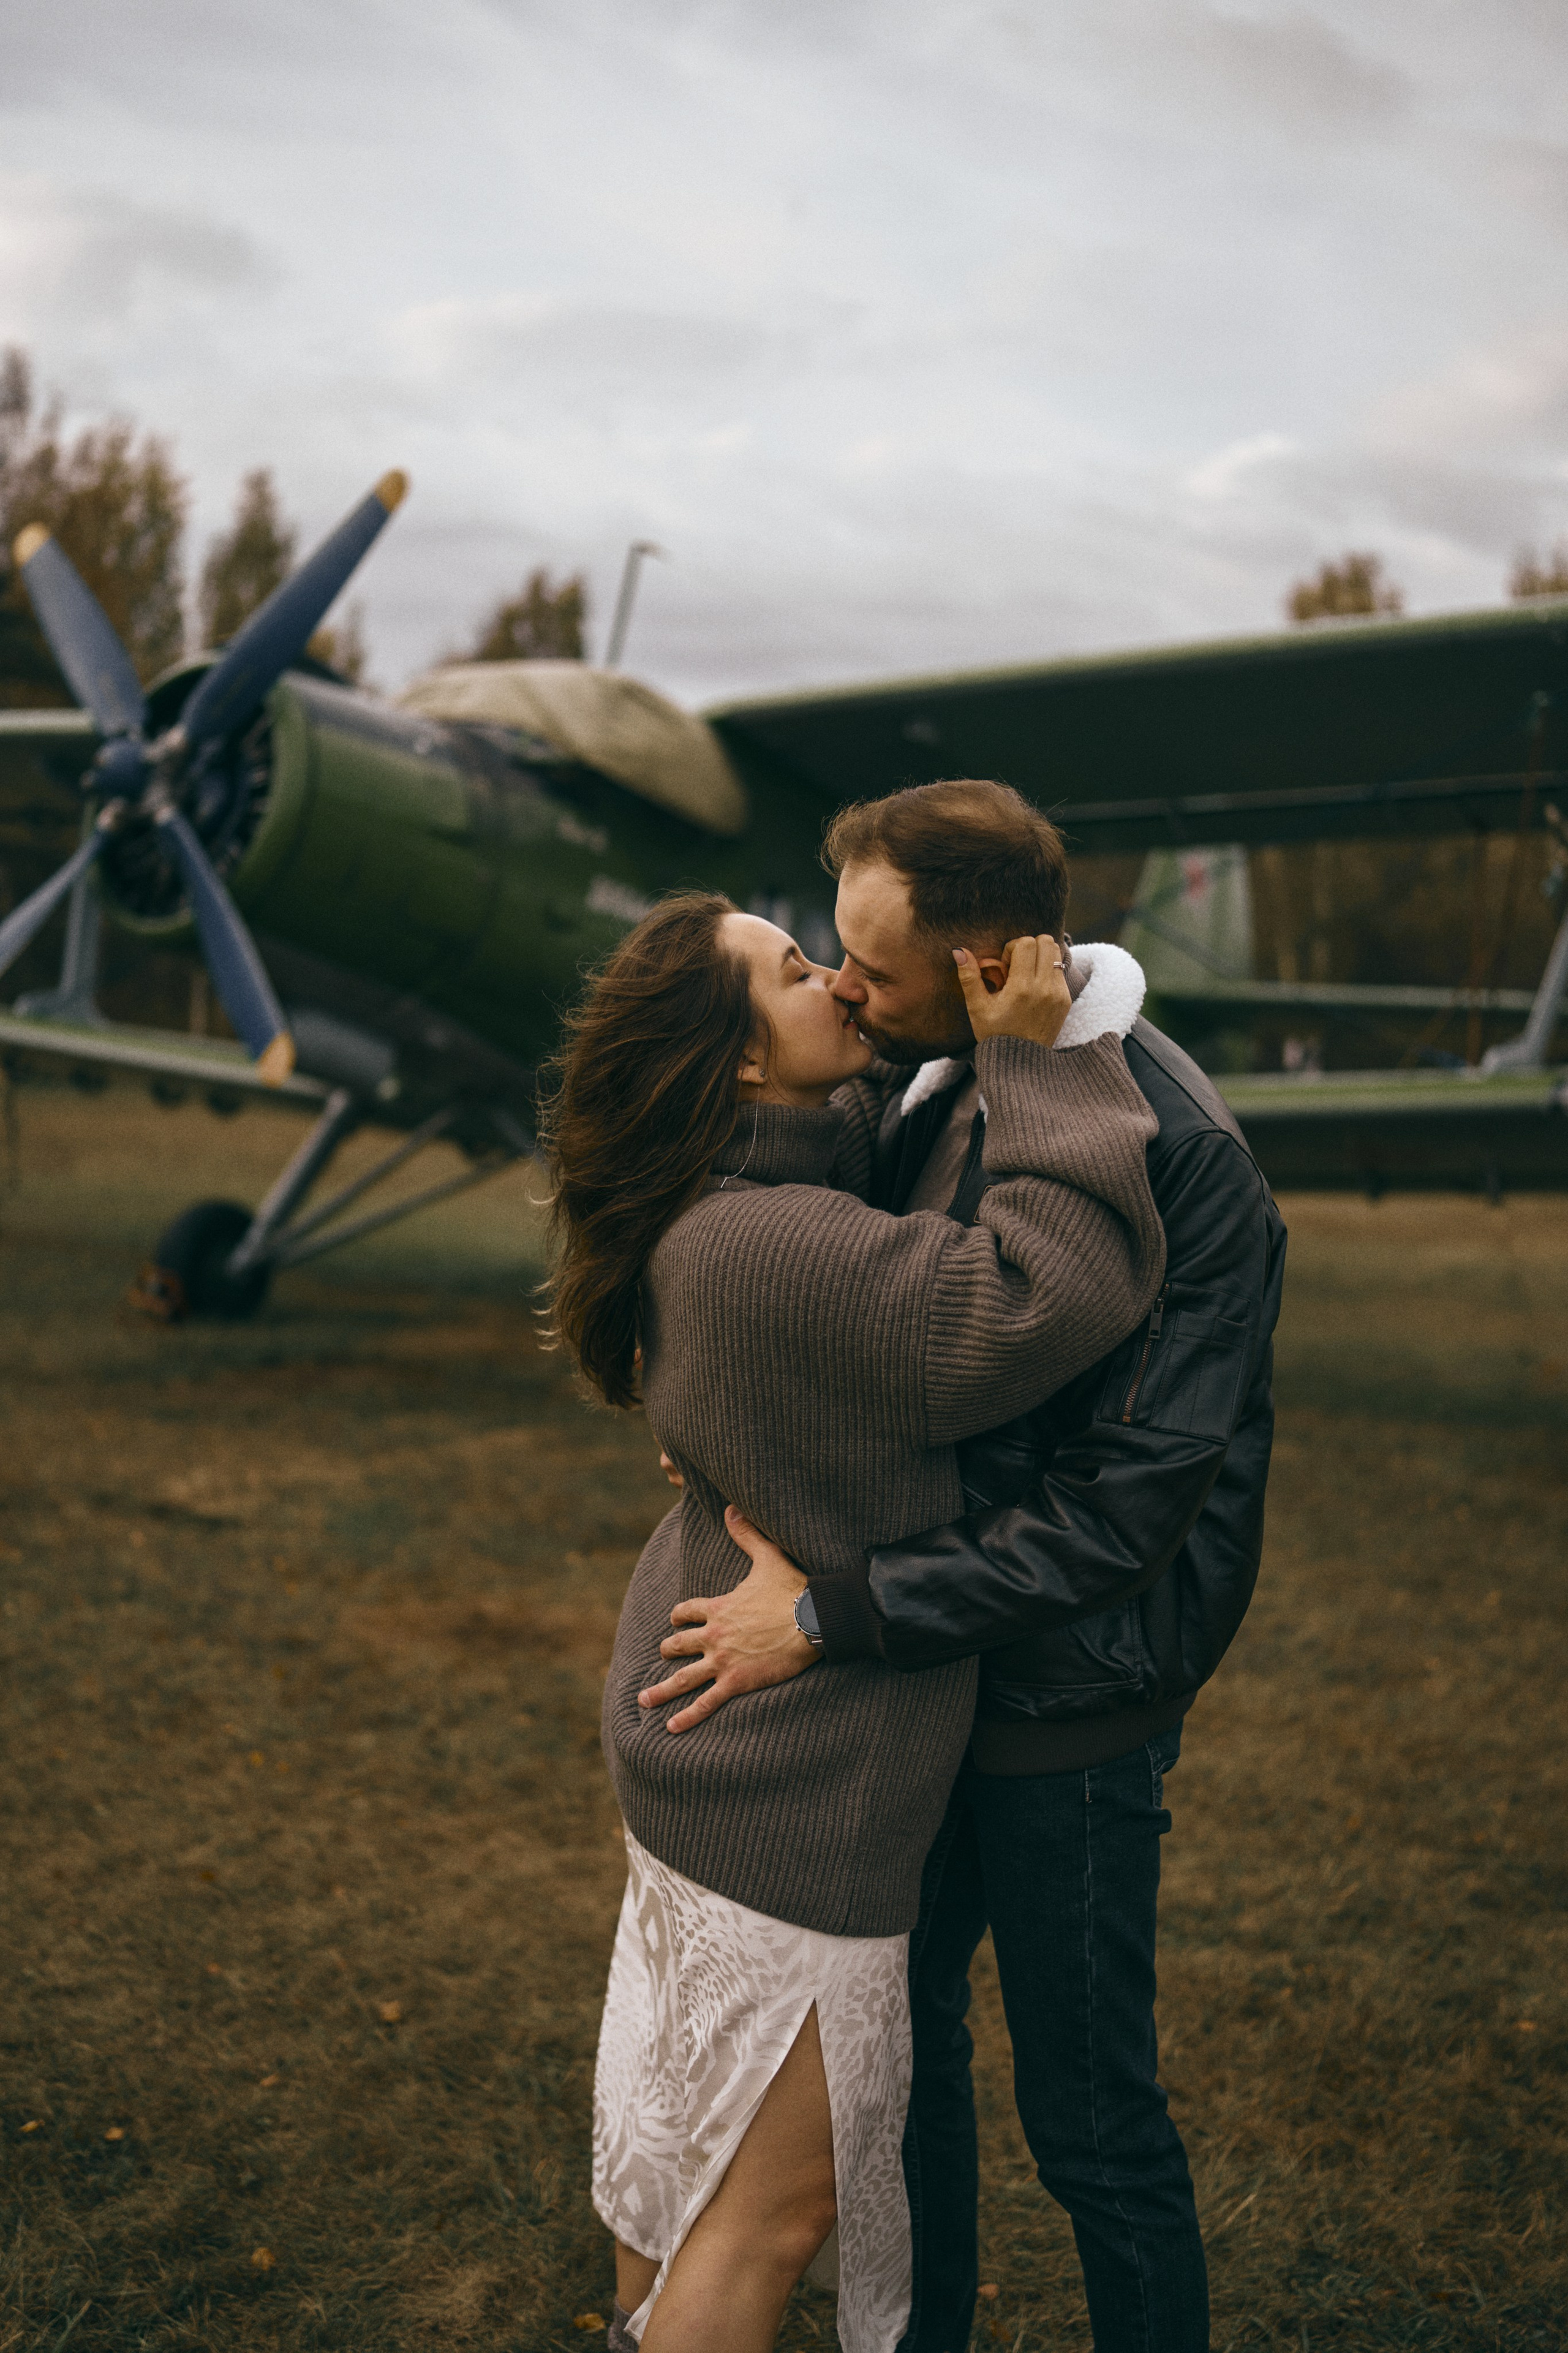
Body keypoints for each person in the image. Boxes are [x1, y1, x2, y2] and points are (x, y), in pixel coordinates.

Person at [639, 780, 1288, 2353]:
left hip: (1069, 1702)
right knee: (901, 2083)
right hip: (914, 1694)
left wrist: (838, 1615)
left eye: (867, 962)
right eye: (829, 955)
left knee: (1090, 2124)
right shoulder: (933, 1082)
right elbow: (848, 1312)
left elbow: (1121, 1516)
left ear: (993, 962)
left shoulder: (1188, 1158)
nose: (840, 984)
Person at [539, 883, 1167, 2352]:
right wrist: (1044, 1062)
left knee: (682, 2144)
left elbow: (845, 1156)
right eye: (789, 968)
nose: (833, 977)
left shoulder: (723, 1202)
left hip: (712, 1740)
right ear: (741, 1064)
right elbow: (1045, 1289)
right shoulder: (768, 1251)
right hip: (796, 1787)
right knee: (773, 2218)